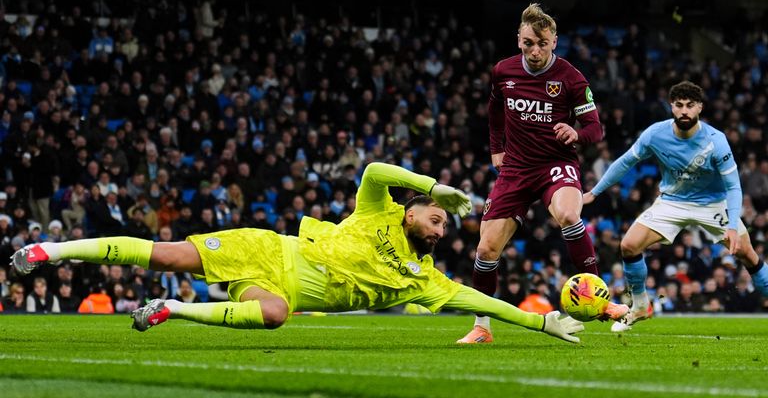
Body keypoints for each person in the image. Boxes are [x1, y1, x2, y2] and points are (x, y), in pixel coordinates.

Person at [12, 163, 584, 343]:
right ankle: (50, 249)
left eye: (442, 229)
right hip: (265, 247)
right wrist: (434, 185)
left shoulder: (421, 278)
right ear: (411, 209)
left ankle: (171, 309)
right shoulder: (376, 208)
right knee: (164, 254)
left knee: (275, 316)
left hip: (279, 288)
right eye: (434, 217)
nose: (438, 229)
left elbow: (479, 297)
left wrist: (542, 323)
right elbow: (373, 170)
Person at [459, 3, 628, 344]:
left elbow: (596, 127)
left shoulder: (571, 77)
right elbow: (494, 112)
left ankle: (599, 301)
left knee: (568, 213)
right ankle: (482, 327)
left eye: (542, 44)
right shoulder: (503, 72)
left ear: (554, 42)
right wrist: (496, 148)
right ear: (518, 40)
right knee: (487, 249)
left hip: (555, 164)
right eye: (527, 44)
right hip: (516, 169)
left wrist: (577, 134)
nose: (535, 51)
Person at [583, 81, 768, 331]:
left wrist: (733, 225)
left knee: (747, 254)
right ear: (671, 106)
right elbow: (625, 162)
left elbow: (733, 187)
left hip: (712, 203)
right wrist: (594, 192)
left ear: (700, 108)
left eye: (690, 106)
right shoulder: (655, 134)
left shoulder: (717, 141)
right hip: (673, 201)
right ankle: (639, 305)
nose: (684, 111)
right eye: (679, 105)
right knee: (628, 245)